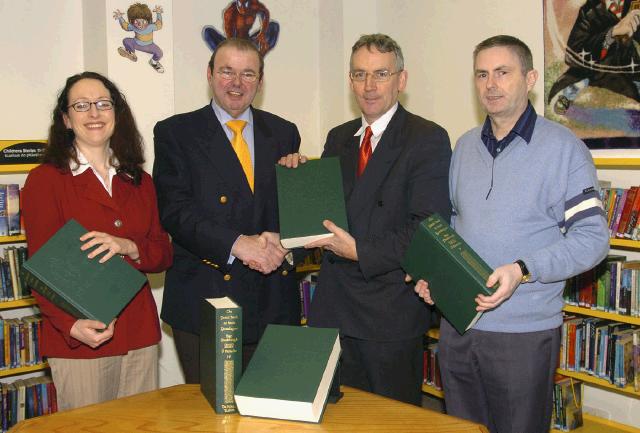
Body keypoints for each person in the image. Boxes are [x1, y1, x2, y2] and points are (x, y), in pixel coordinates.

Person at [415, 35, 609, 433]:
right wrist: (435, 276)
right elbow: (454, 227)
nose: (491, 84)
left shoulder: (564, 149)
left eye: (503, 72)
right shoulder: (464, 147)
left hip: (523, 334)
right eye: (482, 74)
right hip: (458, 328)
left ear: (531, 78)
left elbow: (593, 239)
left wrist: (523, 268)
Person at [281, 33, 452, 405]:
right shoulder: (339, 137)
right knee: (336, 418)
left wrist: (360, 250)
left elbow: (427, 228)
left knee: (388, 421)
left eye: (381, 74)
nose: (369, 86)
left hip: (388, 311)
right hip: (334, 307)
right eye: (359, 75)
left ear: (401, 80)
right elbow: (326, 214)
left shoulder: (427, 138)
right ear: (350, 80)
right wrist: (300, 179)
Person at [153, 37, 301, 383]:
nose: (237, 83)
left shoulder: (283, 132)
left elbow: (288, 211)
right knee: (213, 418)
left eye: (248, 74)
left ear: (260, 82)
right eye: (227, 72)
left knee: (273, 415)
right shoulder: (176, 132)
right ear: (209, 74)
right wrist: (237, 243)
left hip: (273, 301)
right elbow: (174, 210)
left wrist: (294, 219)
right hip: (206, 299)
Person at [22, 71, 173, 411]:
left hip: (139, 335)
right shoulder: (45, 181)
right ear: (66, 119)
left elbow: (162, 254)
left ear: (116, 114)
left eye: (103, 104)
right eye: (81, 105)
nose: (94, 113)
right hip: (80, 337)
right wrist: (71, 326)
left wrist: (129, 246)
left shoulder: (140, 181)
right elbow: (40, 272)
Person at [548, 0, 640, 114]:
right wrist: (612, 33)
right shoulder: (590, 10)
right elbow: (573, 53)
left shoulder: (634, 6)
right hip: (592, 70)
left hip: (629, 71)